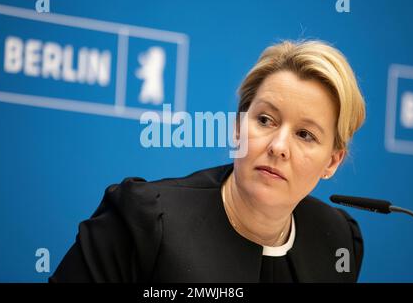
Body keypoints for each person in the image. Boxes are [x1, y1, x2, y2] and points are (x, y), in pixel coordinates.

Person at [50, 40, 366, 283]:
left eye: (305, 135)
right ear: (238, 127)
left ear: (332, 162)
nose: (278, 146)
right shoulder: (142, 221)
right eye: (266, 120)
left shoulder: (337, 241)